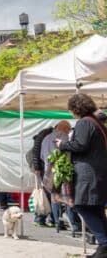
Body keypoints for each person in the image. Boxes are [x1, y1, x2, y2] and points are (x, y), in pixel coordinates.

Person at [56, 94, 107, 256]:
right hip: (98, 171)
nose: (71, 113)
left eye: (71, 110)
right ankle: (103, 246)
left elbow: (80, 145)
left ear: (76, 108)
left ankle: (104, 243)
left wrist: (62, 144)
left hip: (88, 173)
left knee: (81, 205)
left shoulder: (85, 122)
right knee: (96, 209)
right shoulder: (98, 123)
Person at [41, 120, 80, 233]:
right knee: (67, 197)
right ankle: (75, 225)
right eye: (69, 129)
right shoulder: (64, 137)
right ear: (65, 128)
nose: (69, 132)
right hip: (63, 172)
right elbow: (69, 154)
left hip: (49, 172)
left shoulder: (46, 138)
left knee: (55, 198)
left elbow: (42, 156)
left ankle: (58, 223)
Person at [31, 126, 56, 227]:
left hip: (43, 168)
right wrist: (37, 168)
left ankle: (50, 218)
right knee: (44, 194)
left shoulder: (46, 134)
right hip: (42, 169)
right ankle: (40, 218)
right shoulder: (44, 135)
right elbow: (35, 153)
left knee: (47, 194)